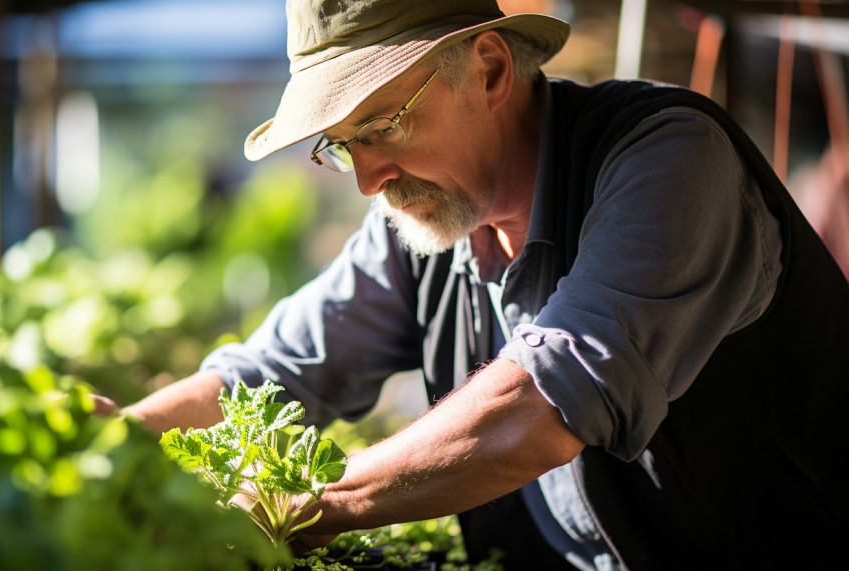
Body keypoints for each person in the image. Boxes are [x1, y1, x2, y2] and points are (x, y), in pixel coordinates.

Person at [93, 1, 849, 569]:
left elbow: (541, 406)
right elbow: (275, 373)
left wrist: (297, 507)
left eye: (382, 126)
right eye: (342, 145)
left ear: (489, 69)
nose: (367, 180)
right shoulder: (427, 221)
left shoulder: (672, 162)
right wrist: (113, 442)